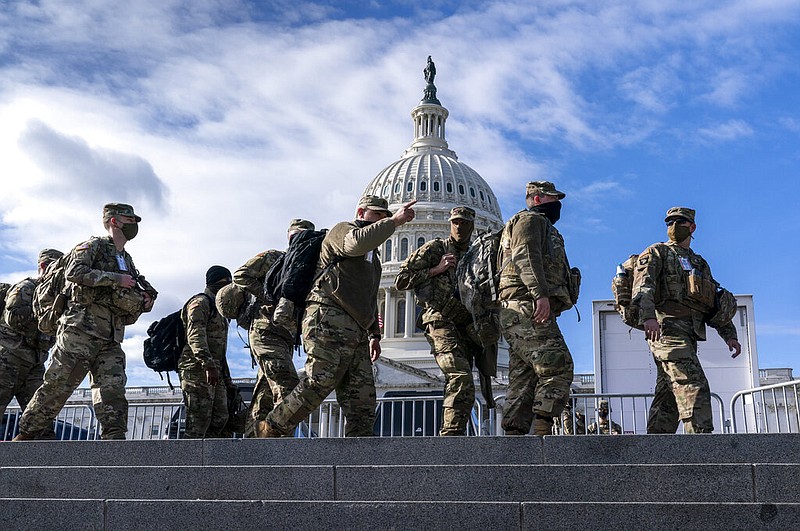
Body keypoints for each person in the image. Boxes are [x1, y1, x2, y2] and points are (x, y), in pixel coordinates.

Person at [257, 196, 416, 437]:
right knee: (319, 382)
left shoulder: (373, 258)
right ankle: (272, 427)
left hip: (357, 329)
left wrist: (374, 333)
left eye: (385, 216)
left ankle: (359, 454)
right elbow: (355, 244)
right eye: (378, 215)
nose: (382, 219)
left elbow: (369, 295)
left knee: (362, 398)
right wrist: (394, 222)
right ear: (361, 211)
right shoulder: (342, 230)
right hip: (327, 318)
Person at [14, 203, 156, 441]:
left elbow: (124, 296)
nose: (134, 224)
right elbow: (74, 271)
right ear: (114, 221)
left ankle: (114, 439)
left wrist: (143, 299)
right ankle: (27, 434)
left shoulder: (126, 259)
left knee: (112, 390)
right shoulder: (93, 246)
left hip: (111, 336)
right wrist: (115, 279)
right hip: (80, 330)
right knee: (58, 385)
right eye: (129, 219)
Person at [632, 207, 741, 434]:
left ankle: (656, 451)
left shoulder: (699, 263)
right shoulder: (657, 252)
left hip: (689, 335)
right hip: (666, 331)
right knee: (693, 385)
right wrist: (648, 317)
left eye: (679, 221)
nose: (673, 226)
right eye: (669, 222)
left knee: (668, 397)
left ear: (692, 227)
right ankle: (701, 447)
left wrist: (729, 335)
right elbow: (643, 287)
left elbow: (712, 302)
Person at [498, 181, 576, 436]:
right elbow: (525, 257)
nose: (558, 205)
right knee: (558, 364)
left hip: (519, 308)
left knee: (525, 378)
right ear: (538, 199)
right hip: (526, 305)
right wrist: (540, 295)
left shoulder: (543, 226)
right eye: (553, 198)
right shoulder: (530, 221)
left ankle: (514, 438)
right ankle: (543, 430)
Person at [395, 206, 480, 436]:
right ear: (450, 224)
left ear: (472, 226)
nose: (459, 227)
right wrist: (436, 269)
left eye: (464, 223)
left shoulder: (476, 255)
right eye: (455, 222)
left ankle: (456, 432)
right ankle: (450, 437)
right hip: (441, 321)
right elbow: (401, 280)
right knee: (459, 377)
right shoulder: (436, 248)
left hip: (466, 327)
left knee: (464, 383)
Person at [233, 219, 315, 437]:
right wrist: (269, 295)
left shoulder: (307, 264)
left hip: (286, 336)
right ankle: (278, 443)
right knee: (287, 386)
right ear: (289, 237)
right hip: (265, 330)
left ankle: (255, 440)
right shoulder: (273, 257)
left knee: (265, 395)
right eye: (296, 235)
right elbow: (240, 275)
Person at [0, 249, 63, 436]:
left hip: (34, 364)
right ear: (43, 266)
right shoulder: (27, 287)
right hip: (8, 359)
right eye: (55, 269)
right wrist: (46, 320)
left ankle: (43, 461)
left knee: (41, 418)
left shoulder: (55, 296)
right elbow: (14, 318)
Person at [178, 265, 232, 439]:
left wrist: (224, 374)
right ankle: (188, 463)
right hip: (196, 369)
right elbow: (196, 337)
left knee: (220, 417)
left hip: (215, 370)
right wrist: (207, 365)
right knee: (198, 422)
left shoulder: (220, 308)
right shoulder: (200, 303)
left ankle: (208, 461)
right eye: (225, 282)